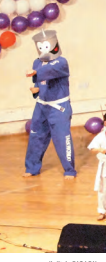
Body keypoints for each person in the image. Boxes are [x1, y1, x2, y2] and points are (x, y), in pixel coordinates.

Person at [24, 29, 77, 179]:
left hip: (58, 107)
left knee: (62, 138)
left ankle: (69, 170)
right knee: (36, 136)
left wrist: (36, 73)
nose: (43, 50)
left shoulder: (61, 62)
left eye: (46, 46)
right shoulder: (37, 62)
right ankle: (32, 167)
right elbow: (38, 82)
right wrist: (36, 90)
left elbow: (51, 70)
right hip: (41, 105)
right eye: (40, 47)